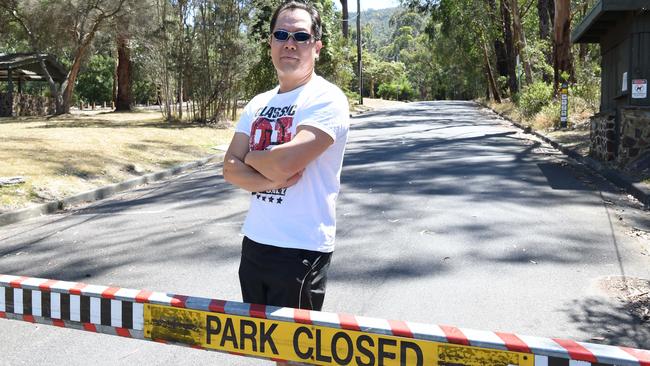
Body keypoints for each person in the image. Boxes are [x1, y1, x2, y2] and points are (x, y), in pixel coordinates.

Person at [222, 0, 349, 313]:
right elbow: (229, 167)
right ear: (270, 44)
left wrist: (251, 155)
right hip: (254, 243)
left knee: (296, 356)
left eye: (301, 37)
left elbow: (285, 163)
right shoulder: (257, 103)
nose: (290, 44)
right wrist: (269, 174)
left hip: (301, 249)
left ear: (316, 47)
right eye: (281, 35)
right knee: (265, 344)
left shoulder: (327, 97)